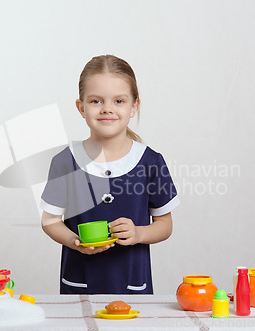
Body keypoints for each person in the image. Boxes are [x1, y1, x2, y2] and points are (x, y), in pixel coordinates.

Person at [40, 54, 180, 294]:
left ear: (134, 106)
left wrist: (138, 233)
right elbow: (50, 221)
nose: (107, 109)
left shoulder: (150, 162)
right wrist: (75, 242)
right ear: (81, 107)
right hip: (79, 288)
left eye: (118, 101)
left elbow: (165, 224)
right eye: (96, 101)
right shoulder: (65, 162)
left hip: (132, 289)